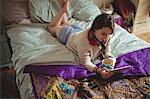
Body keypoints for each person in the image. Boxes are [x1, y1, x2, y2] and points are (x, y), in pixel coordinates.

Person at [48, 0, 114, 79]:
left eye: (109, 34)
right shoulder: (83, 42)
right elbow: (85, 62)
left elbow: (107, 49)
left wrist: (109, 58)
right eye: (103, 34)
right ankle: (63, 10)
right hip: (68, 34)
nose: (106, 38)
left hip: (79, 30)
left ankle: (64, 9)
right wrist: (98, 70)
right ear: (94, 29)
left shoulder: (105, 35)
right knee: (52, 27)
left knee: (65, 24)